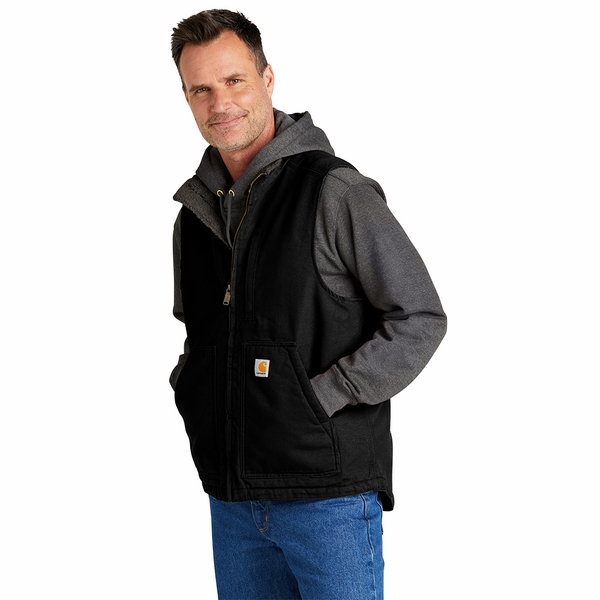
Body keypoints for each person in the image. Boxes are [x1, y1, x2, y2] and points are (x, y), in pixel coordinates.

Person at [169, 9, 446, 599]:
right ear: (186, 97)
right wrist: (192, 387)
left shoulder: (334, 191)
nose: (220, 103)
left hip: (328, 500)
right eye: (201, 89)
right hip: (232, 500)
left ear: (268, 78)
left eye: (234, 80)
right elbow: (198, 332)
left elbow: (419, 316)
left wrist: (322, 396)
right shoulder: (194, 216)